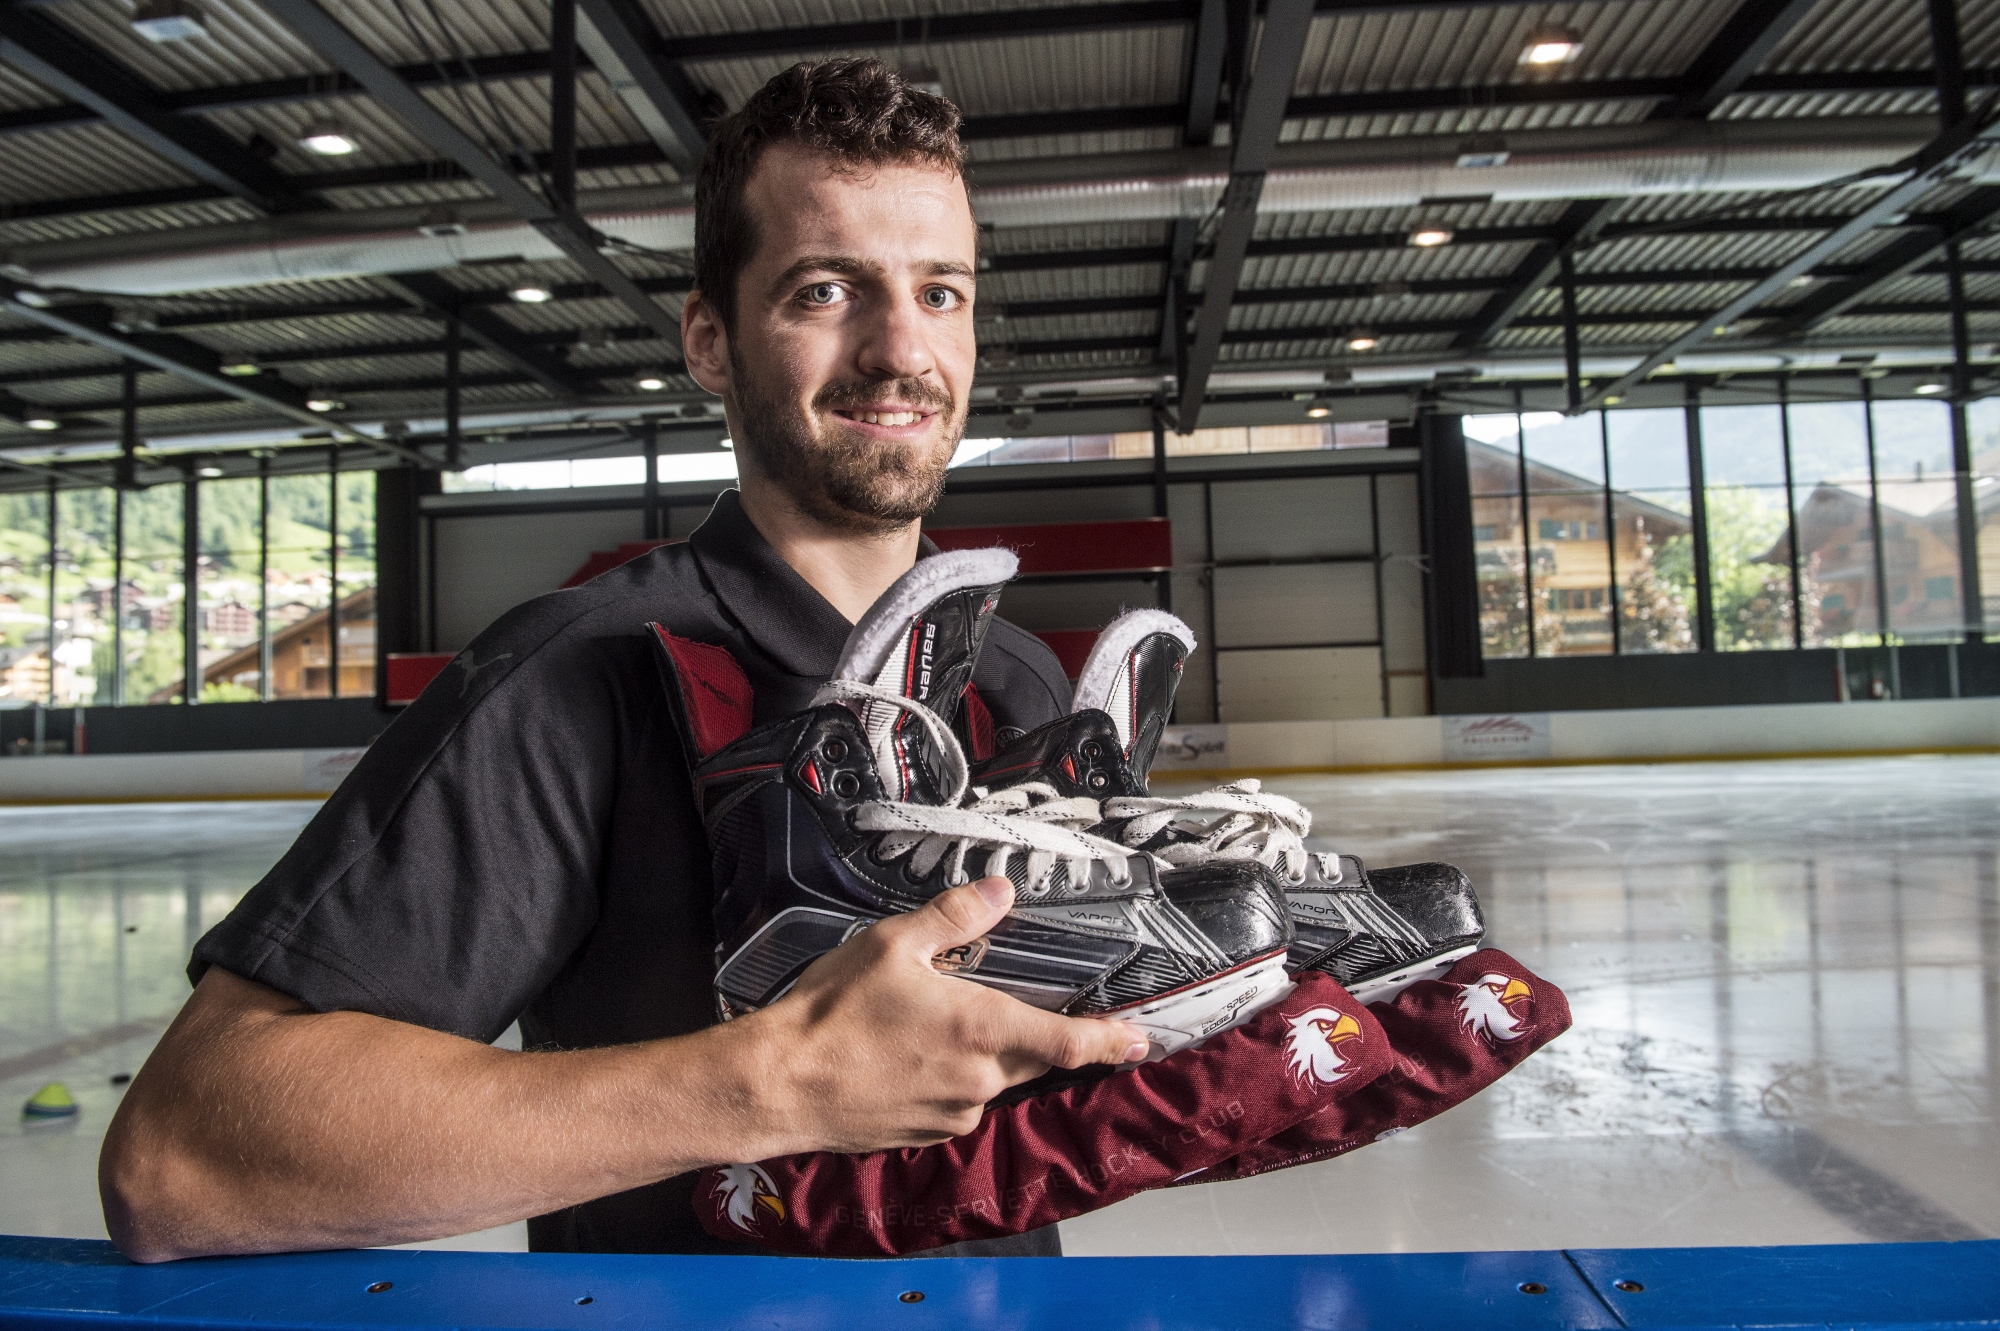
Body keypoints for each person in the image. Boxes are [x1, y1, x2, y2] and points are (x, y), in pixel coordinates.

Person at [98, 57, 1150, 1264]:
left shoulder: (1017, 680)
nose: (901, 349)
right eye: (826, 290)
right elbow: (179, 1158)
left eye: (942, 292)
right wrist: (771, 1083)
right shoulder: (575, 671)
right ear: (709, 338)